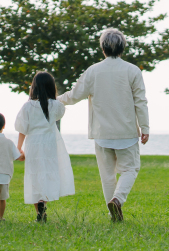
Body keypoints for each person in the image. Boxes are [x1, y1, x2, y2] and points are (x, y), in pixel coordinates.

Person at [58, 28, 149, 222]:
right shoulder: (133, 70)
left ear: (103, 48)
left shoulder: (93, 71)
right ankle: (117, 200)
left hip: (101, 133)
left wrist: (54, 99)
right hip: (126, 132)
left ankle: (112, 213)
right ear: (123, 48)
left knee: (107, 176)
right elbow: (140, 101)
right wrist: (145, 128)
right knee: (130, 170)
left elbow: (74, 96)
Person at [15, 71, 75, 222]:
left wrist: (19, 148)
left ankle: (39, 210)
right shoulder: (56, 106)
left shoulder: (28, 106)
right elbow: (59, 114)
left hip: (33, 144)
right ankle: (43, 204)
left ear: (33, 87)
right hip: (49, 144)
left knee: (35, 176)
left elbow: (22, 129)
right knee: (47, 174)